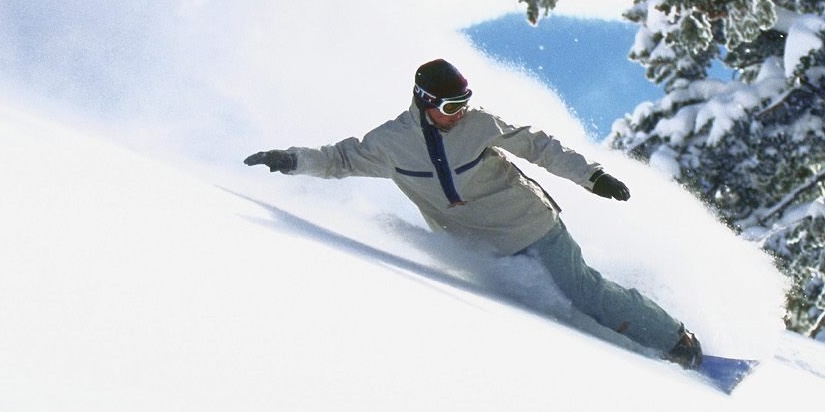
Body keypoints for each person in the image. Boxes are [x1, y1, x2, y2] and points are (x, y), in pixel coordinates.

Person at [244, 58, 703, 369]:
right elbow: (339, 160)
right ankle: (631, 354)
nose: (460, 113)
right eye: (450, 106)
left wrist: (592, 176)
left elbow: (537, 145)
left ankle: (674, 341)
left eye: (464, 101)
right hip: (480, 245)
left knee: (580, 290)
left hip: (531, 224)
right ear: (425, 102)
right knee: (550, 317)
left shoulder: (479, 124)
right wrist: (290, 159)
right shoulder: (390, 143)